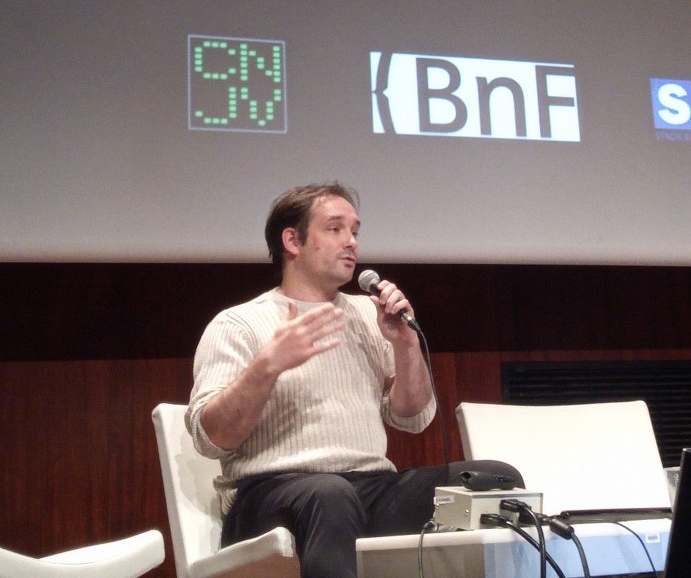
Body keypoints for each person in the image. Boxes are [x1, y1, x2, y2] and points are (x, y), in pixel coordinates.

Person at [187, 182, 521, 578]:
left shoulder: (368, 314)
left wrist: (405, 344)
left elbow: (412, 417)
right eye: (335, 229)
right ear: (292, 241)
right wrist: (268, 366)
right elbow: (211, 438)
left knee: (498, 480)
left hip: (369, 488)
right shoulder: (239, 324)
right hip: (269, 496)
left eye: (355, 231)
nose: (351, 242)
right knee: (329, 494)